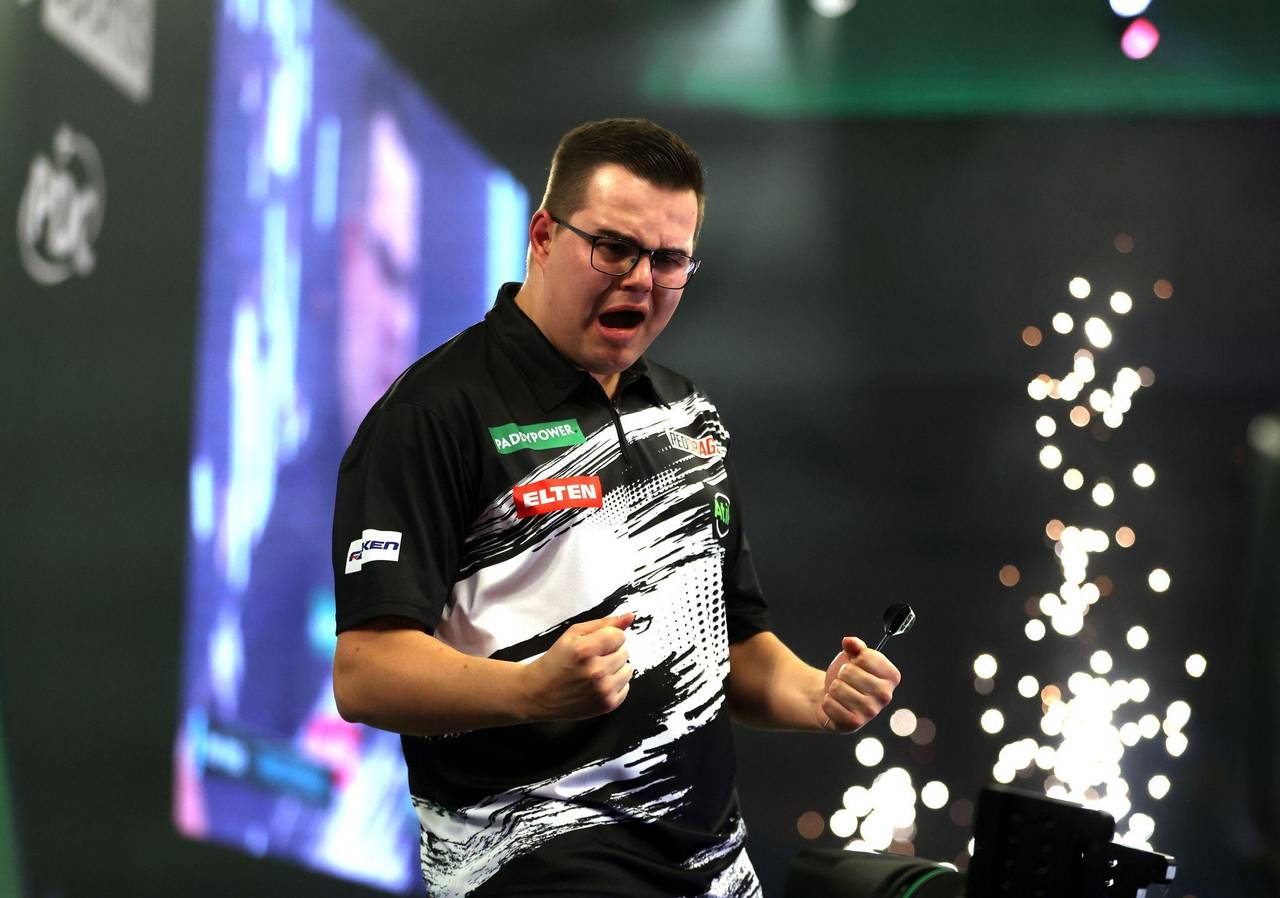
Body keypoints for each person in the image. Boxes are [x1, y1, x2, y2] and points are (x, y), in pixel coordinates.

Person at [330, 118, 901, 897]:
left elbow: (733, 645)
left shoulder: (689, 414)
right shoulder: (435, 412)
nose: (641, 279)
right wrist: (533, 689)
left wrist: (817, 695)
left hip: (714, 870)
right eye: (614, 248)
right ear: (543, 236)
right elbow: (366, 672)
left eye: (669, 260)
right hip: (531, 867)